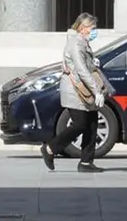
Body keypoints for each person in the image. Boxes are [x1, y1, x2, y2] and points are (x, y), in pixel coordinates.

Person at [41, 12, 110, 173]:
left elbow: (85, 65)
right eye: (92, 27)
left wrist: (94, 63)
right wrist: (97, 91)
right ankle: (50, 148)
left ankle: (86, 162)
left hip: (82, 90)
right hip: (76, 91)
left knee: (92, 124)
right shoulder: (76, 43)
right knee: (79, 124)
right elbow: (81, 70)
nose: (94, 31)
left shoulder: (82, 42)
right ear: (83, 27)